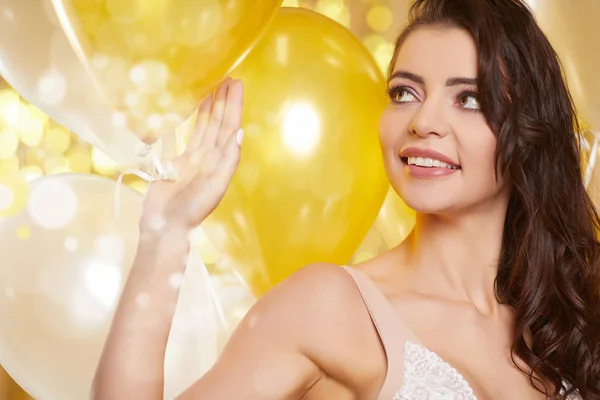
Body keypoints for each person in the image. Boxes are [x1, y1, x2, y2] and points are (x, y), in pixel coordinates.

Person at [91, 0, 600, 398]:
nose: (422, 122)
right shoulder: (329, 306)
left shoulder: (572, 311)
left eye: (468, 98)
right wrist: (165, 236)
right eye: (405, 92)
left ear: (529, 128)